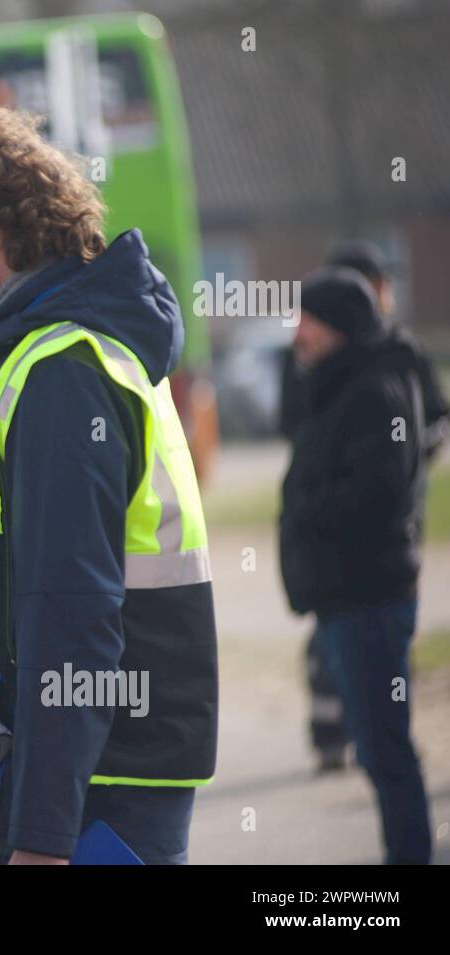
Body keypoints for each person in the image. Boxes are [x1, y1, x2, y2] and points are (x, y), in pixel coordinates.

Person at [0, 108, 218, 865]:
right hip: (104, 782)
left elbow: (70, 617)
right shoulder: (85, 355)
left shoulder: (60, 378)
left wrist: (42, 839)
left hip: (89, 801)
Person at [279, 267, 432, 864]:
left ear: (338, 326)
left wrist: (306, 513)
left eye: (308, 321)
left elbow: (379, 492)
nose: (298, 334)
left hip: (371, 598)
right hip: (346, 600)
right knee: (375, 748)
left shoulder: (375, 389)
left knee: (385, 749)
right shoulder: (338, 382)